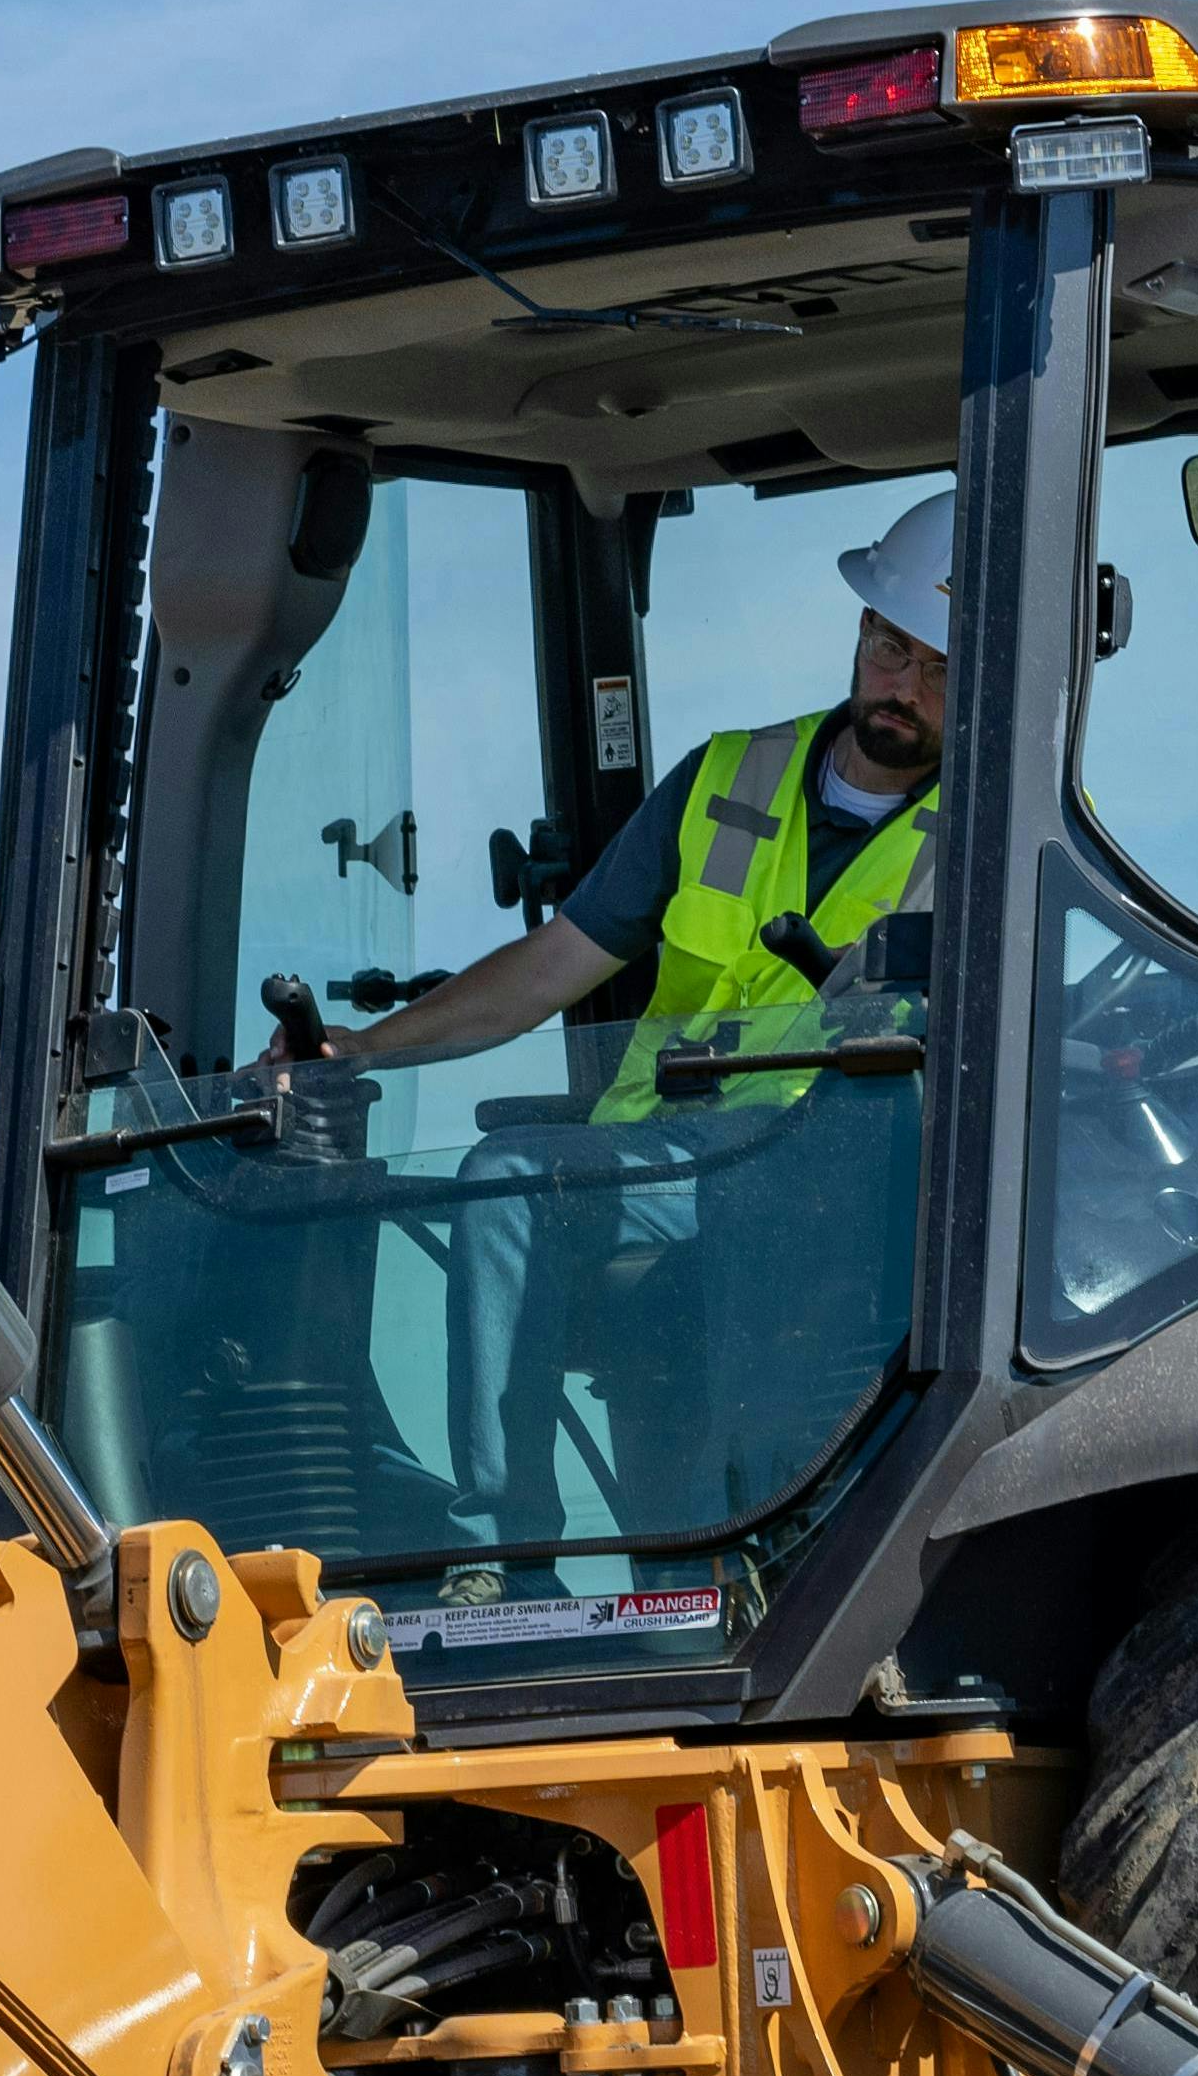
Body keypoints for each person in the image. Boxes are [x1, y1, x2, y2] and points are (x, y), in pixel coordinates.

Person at [314, 490, 957, 1541]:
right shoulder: (722, 778)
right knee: (502, 1177)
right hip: (658, 1157)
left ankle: (749, 1539)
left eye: (937, 668)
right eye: (892, 649)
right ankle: (502, 1542)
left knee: (772, 1233)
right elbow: (552, 965)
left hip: (821, 1174)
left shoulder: (987, 823)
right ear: (859, 631)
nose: (903, 688)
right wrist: (363, 1047)